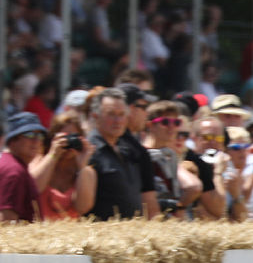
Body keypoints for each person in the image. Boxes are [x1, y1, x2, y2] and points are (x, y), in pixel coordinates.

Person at [87, 87, 159, 220]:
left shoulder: (132, 151)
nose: (117, 120)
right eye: (111, 114)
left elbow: (148, 201)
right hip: (100, 235)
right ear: (95, 116)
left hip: (133, 235)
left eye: (121, 114)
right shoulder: (88, 151)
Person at [31, 113, 97, 220]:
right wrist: (53, 154)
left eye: (74, 137)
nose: (68, 142)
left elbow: (83, 208)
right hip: (39, 232)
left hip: (69, 234)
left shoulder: (87, 171)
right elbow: (33, 189)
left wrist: (82, 167)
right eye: (65, 137)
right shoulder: (39, 161)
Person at [0, 112, 45, 221]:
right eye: (29, 135)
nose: (36, 140)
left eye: (39, 135)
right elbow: (7, 221)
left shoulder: (13, 165)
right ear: (13, 140)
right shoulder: (14, 171)